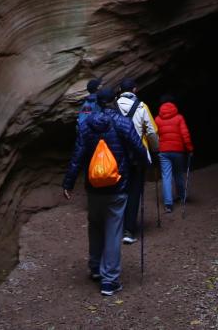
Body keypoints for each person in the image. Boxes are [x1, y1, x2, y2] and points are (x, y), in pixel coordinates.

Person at [63, 86, 144, 296]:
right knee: (113, 230)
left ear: (97, 102)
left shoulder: (86, 125)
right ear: (114, 100)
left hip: (94, 187)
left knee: (95, 227)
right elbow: (138, 147)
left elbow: (77, 156)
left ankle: (95, 268)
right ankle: (109, 280)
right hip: (117, 186)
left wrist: (68, 183)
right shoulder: (122, 123)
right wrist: (144, 165)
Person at [115, 78, 159, 244]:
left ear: (119, 90)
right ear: (135, 89)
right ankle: (129, 230)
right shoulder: (141, 106)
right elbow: (152, 132)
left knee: (119, 191)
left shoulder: (112, 106)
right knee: (134, 192)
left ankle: (115, 227)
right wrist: (155, 151)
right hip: (137, 156)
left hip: (117, 155)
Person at [155, 94, 194, 213]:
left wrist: (156, 148)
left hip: (163, 151)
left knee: (166, 176)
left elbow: (154, 135)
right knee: (178, 174)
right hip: (178, 151)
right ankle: (182, 196)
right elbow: (185, 134)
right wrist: (190, 148)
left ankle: (168, 204)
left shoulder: (157, 119)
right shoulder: (179, 118)